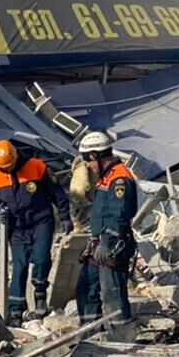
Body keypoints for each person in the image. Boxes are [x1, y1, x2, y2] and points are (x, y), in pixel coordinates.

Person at [0, 140, 72, 325]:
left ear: (16, 156)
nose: (9, 170)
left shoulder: (37, 167)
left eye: (11, 166)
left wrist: (65, 217)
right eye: (5, 168)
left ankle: (40, 292)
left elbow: (57, 194)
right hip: (16, 227)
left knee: (41, 258)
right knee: (19, 267)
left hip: (40, 220)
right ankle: (16, 310)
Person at [75, 131, 138, 326]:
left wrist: (107, 242)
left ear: (97, 156)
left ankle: (121, 337)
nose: (87, 164)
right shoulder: (106, 177)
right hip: (100, 245)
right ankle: (89, 334)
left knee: (113, 295)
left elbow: (119, 215)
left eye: (88, 159)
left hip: (112, 246)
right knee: (85, 289)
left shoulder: (119, 179)